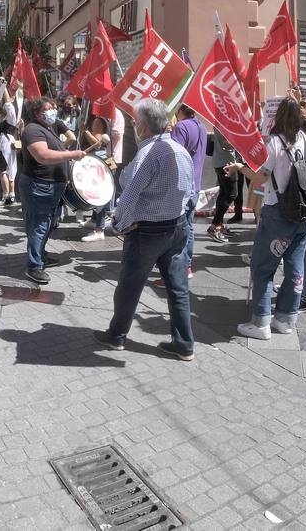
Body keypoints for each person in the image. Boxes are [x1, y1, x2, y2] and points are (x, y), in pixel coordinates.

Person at [94, 98, 196, 360]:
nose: (133, 125)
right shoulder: (179, 150)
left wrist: (118, 224)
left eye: (134, 121)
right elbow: (190, 191)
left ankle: (117, 336)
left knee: (130, 286)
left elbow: (129, 194)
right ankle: (184, 343)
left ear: (142, 126)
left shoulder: (149, 154)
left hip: (148, 231)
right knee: (178, 288)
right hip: (177, 226)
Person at [229, 97, 306, 338]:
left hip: (278, 213)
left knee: (262, 266)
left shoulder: (274, 143)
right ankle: (285, 318)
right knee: (295, 267)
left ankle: (261, 321)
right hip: (303, 212)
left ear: (278, 117)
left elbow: (261, 177)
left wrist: (239, 168)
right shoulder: (305, 140)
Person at [18, 96, 86, 284]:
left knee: (47, 224)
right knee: (38, 225)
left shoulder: (49, 128)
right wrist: (72, 154)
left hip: (52, 186)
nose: (53, 111)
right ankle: (34, 266)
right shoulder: (32, 130)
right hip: (39, 185)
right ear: (37, 113)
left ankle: (41, 255)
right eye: (49, 109)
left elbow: (65, 141)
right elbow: (43, 156)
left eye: (53, 107)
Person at [170, 103, 208, 276]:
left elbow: (173, 154)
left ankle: (178, 269)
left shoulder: (181, 126)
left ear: (180, 111)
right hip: (196, 183)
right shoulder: (202, 126)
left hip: (181, 185)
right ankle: (187, 266)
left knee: (178, 229)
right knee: (189, 227)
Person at [79, 113, 115, 240]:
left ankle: (99, 230)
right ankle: (95, 220)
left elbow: (98, 143)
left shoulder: (98, 121)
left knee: (99, 195)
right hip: (105, 158)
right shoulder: (106, 118)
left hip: (100, 158)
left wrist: (85, 131)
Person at [207, 127, 246, 243]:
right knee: (232, 194)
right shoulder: (224, 124)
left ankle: (219, 224)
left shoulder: (221, 122)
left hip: (223, 161)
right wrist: (243, 141)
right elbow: (227, 144)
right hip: (226, 162)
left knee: (224, 193)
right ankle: (214, 225)